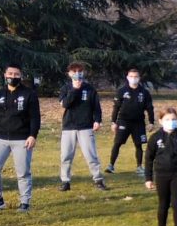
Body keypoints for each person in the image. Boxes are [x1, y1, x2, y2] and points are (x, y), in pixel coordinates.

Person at [0, 63, 40, 213]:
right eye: (10, 74)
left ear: (20, 76)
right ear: (5, 75)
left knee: (23, 172)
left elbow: (35, 117)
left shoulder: (29, 94)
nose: (13, 77)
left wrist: (32, 135)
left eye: (16, 74)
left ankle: (24, 203)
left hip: (22, 139)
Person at [59, 63, 107, 191]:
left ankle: (98, 180)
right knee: (66, 156)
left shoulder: (90, 88)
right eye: (74, 71)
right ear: (69, 73)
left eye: (79, 71)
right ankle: (65, 181)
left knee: (91, 155)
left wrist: (97, 120)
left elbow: (96, 107)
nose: (77, 74)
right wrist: (75, 89)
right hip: (69, 127)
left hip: (86, 126)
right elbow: (65, 104)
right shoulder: (65, 88)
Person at [108, 67, 154, 178]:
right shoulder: (122, 91)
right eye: (131, 77)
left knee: (139, 145)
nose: (134, 79)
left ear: (139, 78)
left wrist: (151, 122)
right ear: (127, 77)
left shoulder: (144, 92)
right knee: (117, 143)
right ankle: (111, 165)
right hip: (123, 121)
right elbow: (116, 107)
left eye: (136, 77)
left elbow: (149, 108)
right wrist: (113, 122)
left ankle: (139, 167)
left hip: (138, 123)